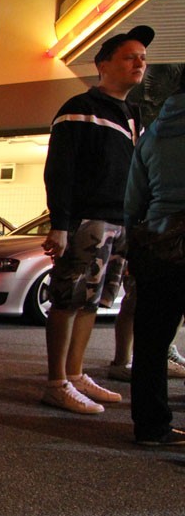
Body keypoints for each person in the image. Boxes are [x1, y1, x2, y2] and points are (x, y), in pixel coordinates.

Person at [40, 25, 153, 414]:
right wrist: (60, 224)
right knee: (68, 298)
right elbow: (60, 170)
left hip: (120, 220)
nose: (139, 63)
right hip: (86, 219)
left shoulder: (132, 115)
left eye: (143, 58)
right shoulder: (79, 108)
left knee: (91, 301)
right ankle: (56, 382)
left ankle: (75, 373)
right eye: (129, 56)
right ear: (103, 65)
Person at [123, 67, 185, 446]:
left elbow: (133, 202)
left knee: (151, 344)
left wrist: (133, 245)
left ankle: (151, 426)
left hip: (161, 247)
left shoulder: (152, 136)